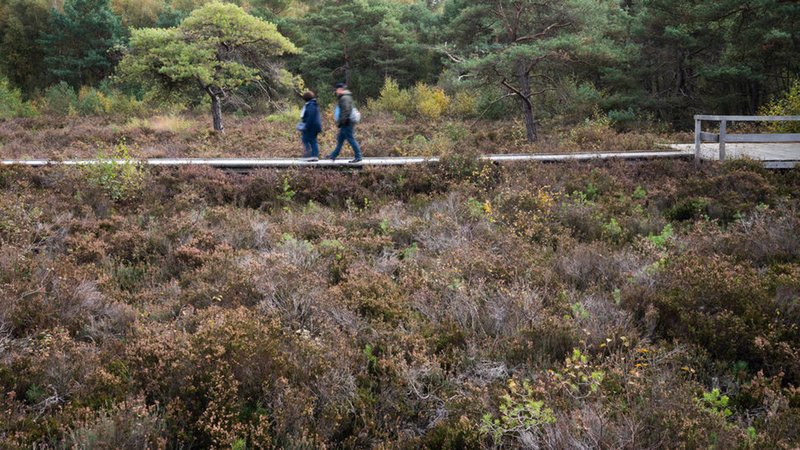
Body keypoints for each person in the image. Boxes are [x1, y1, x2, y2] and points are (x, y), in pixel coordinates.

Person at [325, 82, 363, 163]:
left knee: (350, 138)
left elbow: (346, 111)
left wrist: (342, 122)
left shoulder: (344, 98)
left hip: (347, 122)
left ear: (340, 89)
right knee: (340, 139)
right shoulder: (345, 97)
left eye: (337, 89)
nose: (336, 91)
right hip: (347, 121)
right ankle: (333, 155)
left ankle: (358, 156)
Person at [298, 91, 322, 161]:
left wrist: (306, 126)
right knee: (312, 140)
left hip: (312, 126)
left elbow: (310, 117)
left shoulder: (311, 105)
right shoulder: (312, 104)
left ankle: (309, 155)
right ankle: (314, 155)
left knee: (305, 139)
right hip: (314, 126)